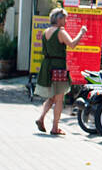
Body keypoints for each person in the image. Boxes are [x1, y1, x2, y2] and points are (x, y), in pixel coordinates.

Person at [35, 8, 86, 136]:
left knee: (52, 97)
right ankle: (55, 127)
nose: (66, 21)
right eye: (64, 18)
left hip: (47, 66)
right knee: (59, 98)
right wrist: (81, 32)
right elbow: (72, 44)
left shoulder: (46, 31)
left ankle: (41, 118)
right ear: (59, 19)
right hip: (58, 67)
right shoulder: (60, 32)